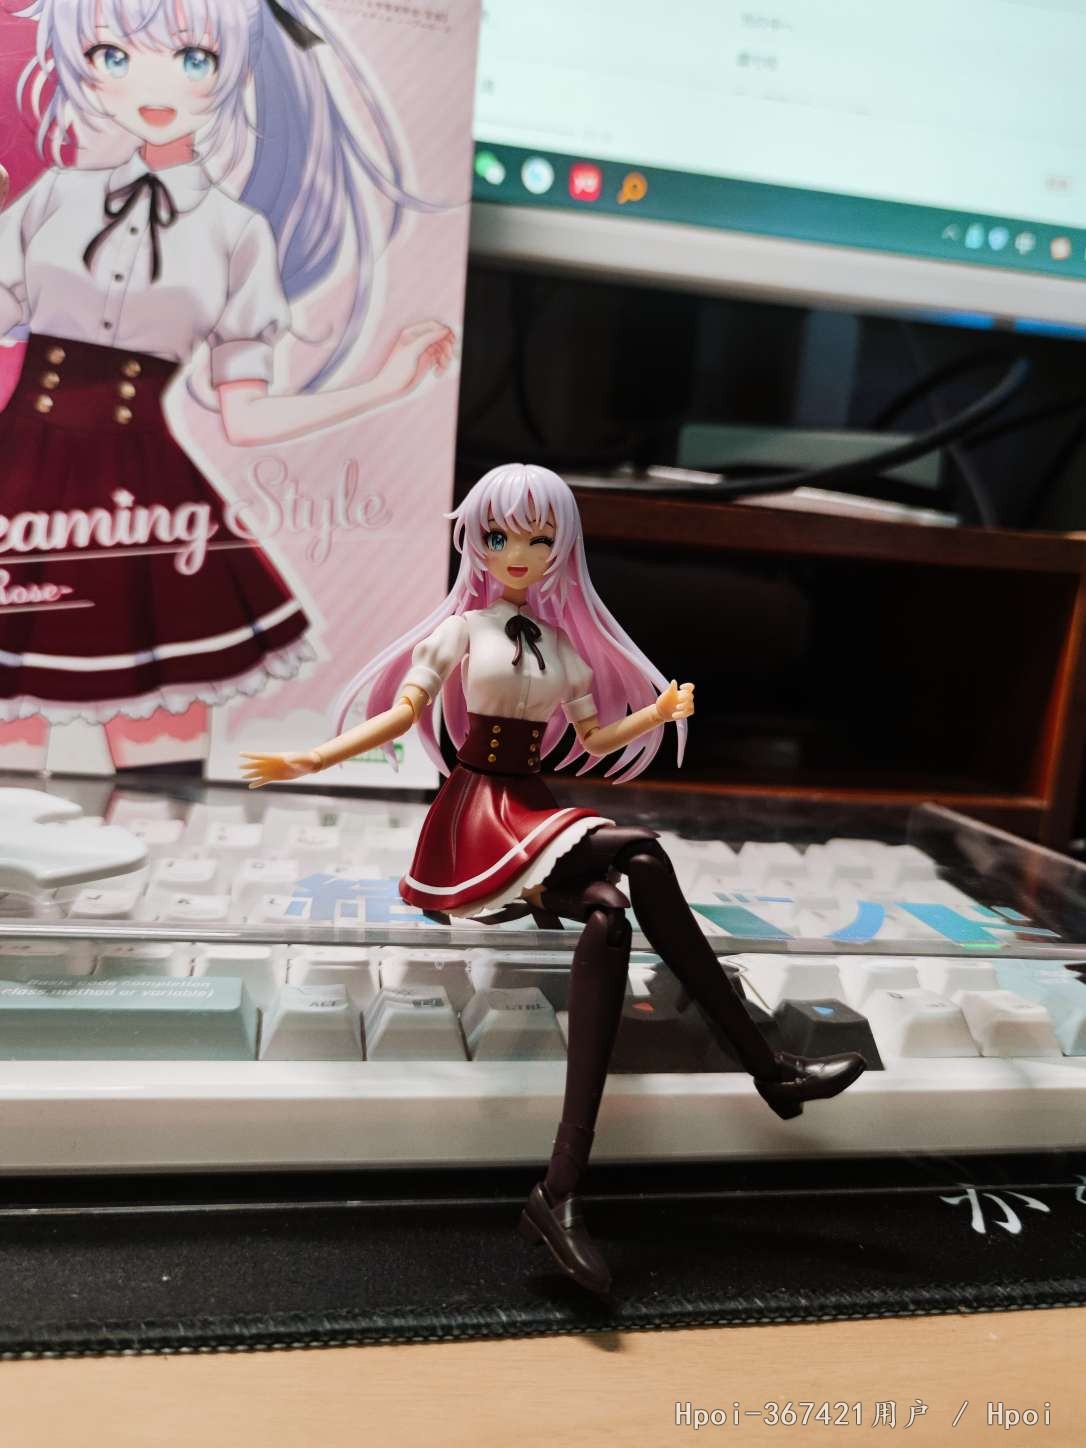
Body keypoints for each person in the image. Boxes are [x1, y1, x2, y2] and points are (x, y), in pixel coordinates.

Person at [242, 463, 866, 1294]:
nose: (519, 553)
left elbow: (596, 741)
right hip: (479, 815)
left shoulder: (563, 648)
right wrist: (311, 759)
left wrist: (657, 715)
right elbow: (403, 714)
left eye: (540, 540)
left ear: (560, 549)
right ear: (476, 539)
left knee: (614, 904)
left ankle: (563, 1189)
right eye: (501, 535)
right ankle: (766, 1070)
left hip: (531, 806)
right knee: (638, 859)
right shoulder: (462, 633)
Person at [0, 0, 454, 730]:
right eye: (114, 56)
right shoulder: (54, 195)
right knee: (13, 733)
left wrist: (384, 386)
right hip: (17, 472)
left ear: (237, 69)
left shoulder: (236, 233)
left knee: (156, 733)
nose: (154, 84)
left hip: (146, 500)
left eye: (192, 59)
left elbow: (245, 417)